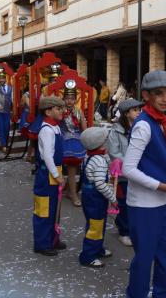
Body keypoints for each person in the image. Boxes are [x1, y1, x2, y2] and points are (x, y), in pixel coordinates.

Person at [122, 70, 166, 298]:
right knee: (145, 258)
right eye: (159, 94)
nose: (165, 99)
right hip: (143, 206)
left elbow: (162, 157)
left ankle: (161, 294)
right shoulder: (144, 125)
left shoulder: (161, 122)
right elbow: (128, 169)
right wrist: (163, 186)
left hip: (161, 203)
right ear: (146, 95)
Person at [78, 127, 117, 268]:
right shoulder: (99, 161)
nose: (107, 143)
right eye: (105, 141)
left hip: (89, 196)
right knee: (95, 226)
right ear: (100, 144)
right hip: (95, 198)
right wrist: (113, 198)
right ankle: (88, 256)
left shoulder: (89, 155)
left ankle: (97, 248)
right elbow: (100, 184)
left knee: (97, 224)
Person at [33, 95, 66, 257]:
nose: (62, 111)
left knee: (54, 209)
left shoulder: (56, 128)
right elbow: (47, 156)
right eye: (58, 108)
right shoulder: (46, 130)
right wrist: (56, 175)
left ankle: (53, 238)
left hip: (55, 172)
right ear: (48, 111)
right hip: (47, 175)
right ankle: (42, 243)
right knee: (44, 209)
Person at [107, 98, 143, 247]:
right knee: (124, 203)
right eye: (135, 110)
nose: (139, 112)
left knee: (136, 202)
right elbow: (114, 152)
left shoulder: (141, 128)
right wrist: (131, 164)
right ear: (126, 113)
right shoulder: (115, 131)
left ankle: (130, 227)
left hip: (138, 172)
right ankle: (124, 231)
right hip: (122, 174)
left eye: (139, 109)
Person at [61, 87, 87, 207]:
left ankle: (72, 192)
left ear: (76, 100)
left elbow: (84, 129)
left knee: (73, 169)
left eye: (72, 99)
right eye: (67, 98)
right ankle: (70, 192)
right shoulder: (60, 110)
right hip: (63, 141)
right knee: (64, 169)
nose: (69, 101)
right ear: (63, 99)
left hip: (76, 142)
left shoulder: (78, 111)